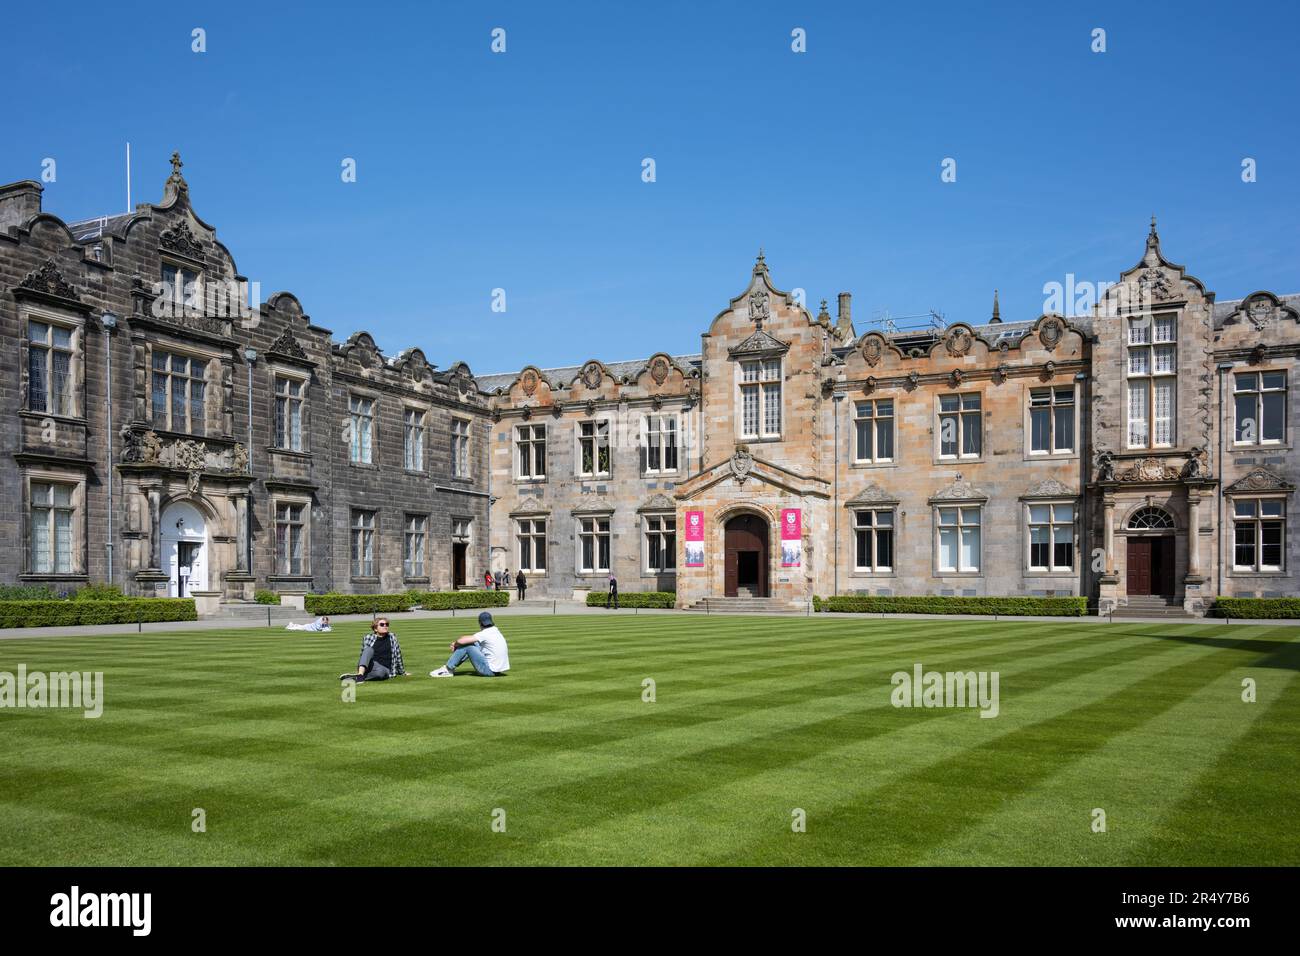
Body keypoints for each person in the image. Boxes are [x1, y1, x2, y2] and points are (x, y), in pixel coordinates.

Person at [430, 612, 510, 678]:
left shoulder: (485, 633)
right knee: (472, 643)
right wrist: (458, 643)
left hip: (489, 671)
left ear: (480, 623)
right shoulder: (495, 631)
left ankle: (448, 669)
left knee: (468, 646)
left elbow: (461, 641)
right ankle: (449, 668)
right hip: (498, 671)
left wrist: (455, 644)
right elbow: (466, 639)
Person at [339, 618, 406, 682]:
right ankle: (360, 674)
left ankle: (359, 677)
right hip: (371, 665)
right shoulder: (368, 637)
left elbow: (398, 655)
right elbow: (364, 654)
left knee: (380, 673)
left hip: (385, 669)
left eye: (387, 624)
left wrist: (402, 672)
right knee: (368, 649)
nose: (385, 626)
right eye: (382, 624)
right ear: (375, 629)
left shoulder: (392, 637)